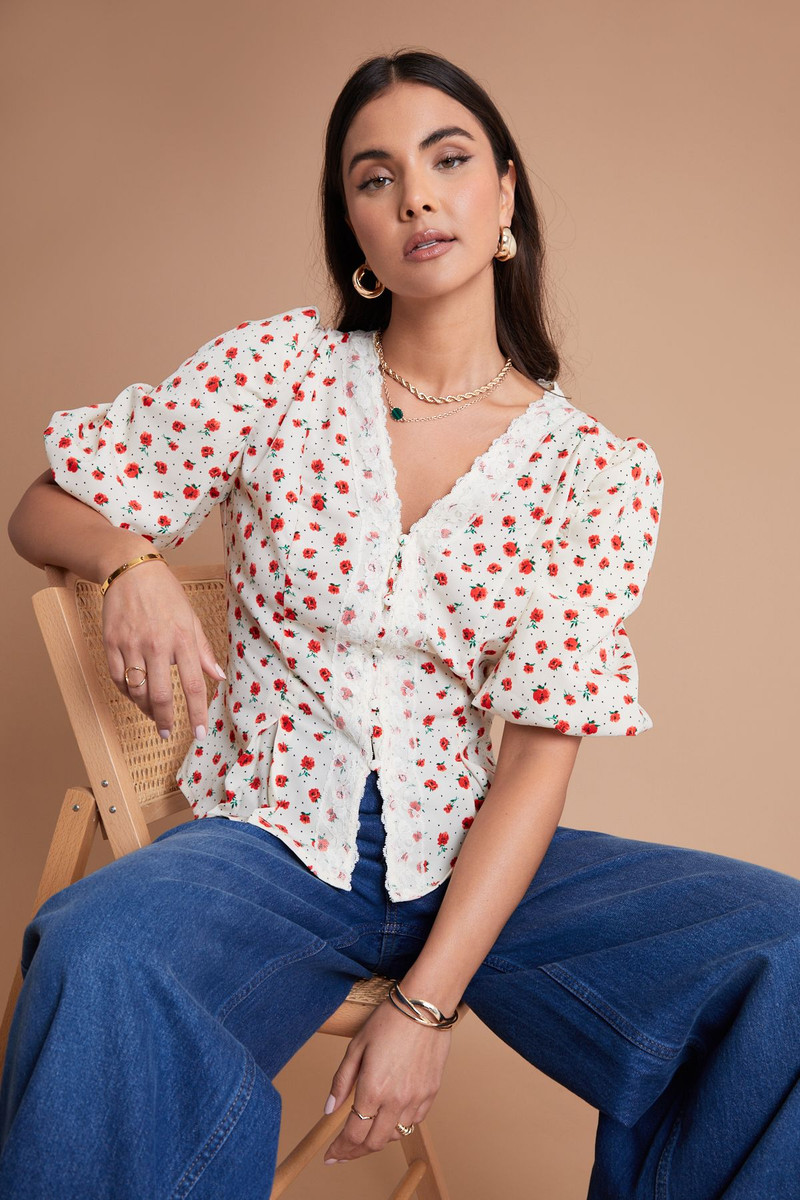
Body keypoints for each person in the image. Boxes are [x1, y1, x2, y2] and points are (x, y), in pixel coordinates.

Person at [1, 46, 798, 1200]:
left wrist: (425, 1006)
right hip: (269, 846)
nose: (415, 195)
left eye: (447, 158)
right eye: (373, 178)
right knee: (95, 951)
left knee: (783, 954)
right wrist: (131, 559)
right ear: (356, 232)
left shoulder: (594, 472)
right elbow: (42, 509)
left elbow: (535, 762)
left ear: (504, 194)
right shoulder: (279, 371)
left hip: (475, 861)